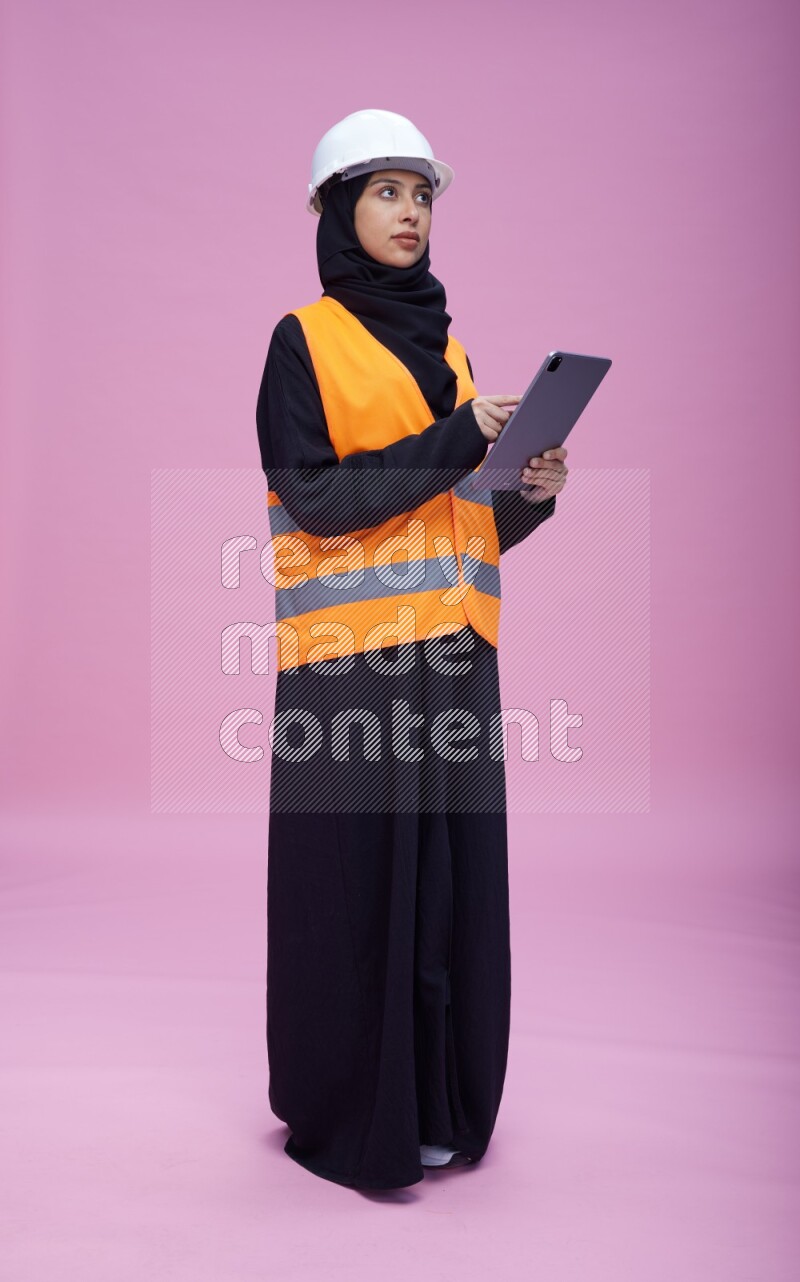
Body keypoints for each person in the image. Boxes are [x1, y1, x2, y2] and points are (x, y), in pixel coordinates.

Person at [255, 108, 568, 1190]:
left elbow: (458, 520)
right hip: (352, 669)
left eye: (421, 194)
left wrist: (526, 494)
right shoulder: (302, 340)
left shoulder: (451, 350)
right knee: (357, 893)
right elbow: (316, 497)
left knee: (445, 894)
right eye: (386, 191)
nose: (410, 212)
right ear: (339, 208)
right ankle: (355, 1116)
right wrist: (459, 436)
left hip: (456, 662)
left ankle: (437, 1104)